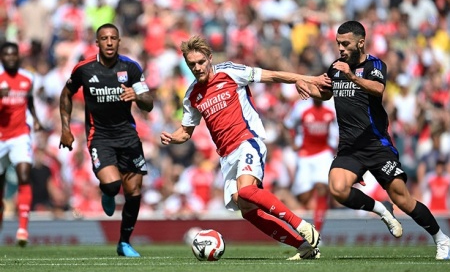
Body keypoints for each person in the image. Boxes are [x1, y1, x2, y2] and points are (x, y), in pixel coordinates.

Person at [160, 35, 331, 260]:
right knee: (247, 210)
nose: (197, 67)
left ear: (210, 58)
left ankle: (300, 224)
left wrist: (309, 79)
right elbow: (186, 132)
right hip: (227, 155)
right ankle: (303, 248)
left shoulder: (229, 72)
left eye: (201, 62)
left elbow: (271, 75)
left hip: (248, 140)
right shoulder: (192, 95)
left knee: (246, 190)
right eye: (192, 64)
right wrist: (173, 137)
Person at [308, 20, 450, 260]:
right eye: (338, 44)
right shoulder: (336, 66)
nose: (341, 48)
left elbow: (377, 89)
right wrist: (304, 86)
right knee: (338, 189)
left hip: (376, 145)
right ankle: (380, 209)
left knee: (402, 198)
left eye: (345, 43)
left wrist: (351, 76)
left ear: (361, 42)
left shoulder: (375, 65)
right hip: (350, 147)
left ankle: (441, 238)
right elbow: (326, 92)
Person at [59, 23, 154, 257]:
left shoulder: (130, 68)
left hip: (128, 137)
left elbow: (149, 103)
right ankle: (107, 192)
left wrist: (138, 97)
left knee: (133, 191)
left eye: (113, 38)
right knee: (112, 185)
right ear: (97, 43)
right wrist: (65, 128)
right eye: (104, 38)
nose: (109, 42)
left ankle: (124, 242)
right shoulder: (84, 69)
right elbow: (66, 93)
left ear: (119, 41)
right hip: (99, 136)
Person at [0, 41, 43, 246]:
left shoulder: (28, 78)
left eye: (13, 54)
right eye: (6, 55)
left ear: (18, 56)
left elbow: (30, 100)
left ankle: (23, 229)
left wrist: (35, 118)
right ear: (1, 57)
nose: (10, 58)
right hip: (0, 136)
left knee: (24, 175)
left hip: (20, 134)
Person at [283, 97, 338, 233]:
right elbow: (286, 125)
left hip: (324, 153)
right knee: (304, 197)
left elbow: (339, 129)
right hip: (305, 155)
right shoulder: (301, 107)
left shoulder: (332, 107)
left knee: (322, 188)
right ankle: (303, 228)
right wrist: (292, 144)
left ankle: (317, 233)